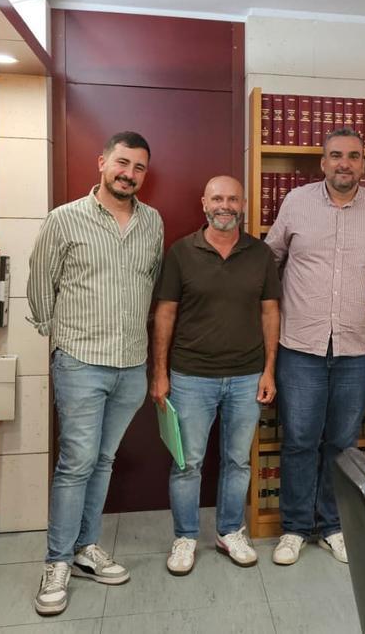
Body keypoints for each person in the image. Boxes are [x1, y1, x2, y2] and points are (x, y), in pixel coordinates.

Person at [27, 131, 163, 616]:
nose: (129, 173)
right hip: (81, 361)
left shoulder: (153, 223)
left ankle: (86, 548)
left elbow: (150, 282)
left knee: (102, 461)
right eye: (122, 163)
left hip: (131, 364)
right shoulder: (65, 219)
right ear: (102, 161)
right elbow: (39, 283)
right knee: (75, 464)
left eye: (139, 167)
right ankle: (57, 561)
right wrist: (60, 337)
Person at [264, 127, 365, 566]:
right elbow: (271, 262)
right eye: (336, 155)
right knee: (300, 440)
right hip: (300, 345)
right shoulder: (297, 202)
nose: (345, 163)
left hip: (358, 348)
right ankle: (296, 528)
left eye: (354, 156)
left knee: (341, 442)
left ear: (364, 164)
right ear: (322, 163)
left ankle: (333, 525)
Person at [150, 176, 281, 574]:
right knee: (187, 463)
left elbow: (271, 312)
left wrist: (269, 371)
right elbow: (165, 314)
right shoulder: (181, 252)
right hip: (191, 376)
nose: (226, 205)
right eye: (218, 198)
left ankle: (229, 531)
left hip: (246, 376)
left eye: (233, 199)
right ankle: (185, 537)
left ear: (243, 204)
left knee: (238, 461)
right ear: (204, 203)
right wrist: (159, 372)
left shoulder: (260, 254)